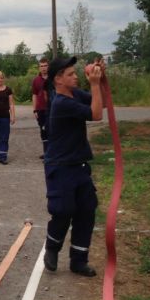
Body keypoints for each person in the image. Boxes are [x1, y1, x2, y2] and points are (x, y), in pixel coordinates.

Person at [42, 56, 104, 277]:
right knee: (63, 210)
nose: (76, 77)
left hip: (79, 164)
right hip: (60, 166)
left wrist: (100, 78)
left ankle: (78, 261)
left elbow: (100, 103)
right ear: (58, 79)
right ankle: (52, 247)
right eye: (71, 74)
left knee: (87, 210)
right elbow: (96, 114)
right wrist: (94, 83)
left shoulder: (74, 94)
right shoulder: (61, 103)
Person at [31, 57, 50, 159]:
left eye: (45, 66)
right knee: (43, 131)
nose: (43, 68)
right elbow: (34, 95)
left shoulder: (53, 79)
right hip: (40, 110)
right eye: (41, 66)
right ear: (39, 67)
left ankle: (52, 154)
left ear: (48, 66)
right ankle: (46, 153)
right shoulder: (36, 80)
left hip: (52, 109)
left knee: (52, 131)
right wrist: (34, 110)